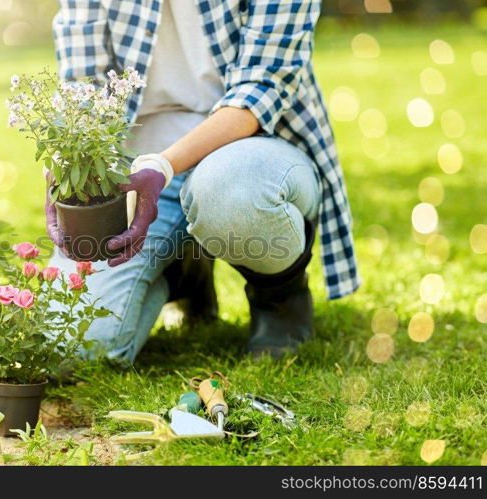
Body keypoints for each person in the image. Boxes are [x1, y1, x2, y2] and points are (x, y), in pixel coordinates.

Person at [46, 0, 359, 364]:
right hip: (132, 169)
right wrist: (69, 164)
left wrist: (163, 166)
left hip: (250, 149)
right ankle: (183, 271)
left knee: (234, 195)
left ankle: (279, 295)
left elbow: (260, 88)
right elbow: (83, 83)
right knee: (74, 350)